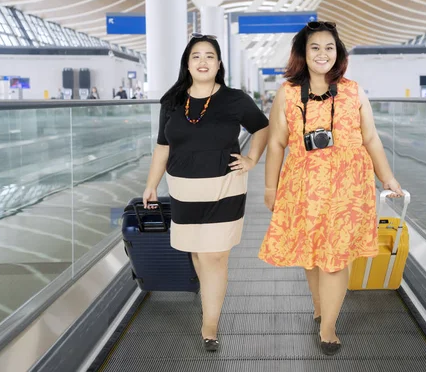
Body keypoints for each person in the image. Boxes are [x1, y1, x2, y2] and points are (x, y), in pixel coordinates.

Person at [258, 21, 403, 356]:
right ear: (302, 54)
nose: (322, 54)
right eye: (315, 47)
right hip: (303, 186)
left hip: (348, 188)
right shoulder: (288, 93)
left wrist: (388, 178)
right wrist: (270, 187)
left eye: (329, 47)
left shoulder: (353, 91)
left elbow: (371, 138)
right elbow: (277, 143)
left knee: (335, 259)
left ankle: (328, 328)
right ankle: (321, 306)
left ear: (338, 53)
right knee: (311, 255)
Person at [142, 34, 269, 352]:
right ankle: (209, 302)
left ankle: (210, 325)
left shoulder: (234, 99)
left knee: (215, 255)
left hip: (224, 188)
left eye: (209, 56)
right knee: (198, 253)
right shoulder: (172, 101)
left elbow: (263, 128)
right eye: (196, 55)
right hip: (183, 190)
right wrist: (151, 184)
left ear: (219, 64)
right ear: (187, 63)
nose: (203, 61)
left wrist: (252, 158)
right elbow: (162, 146)